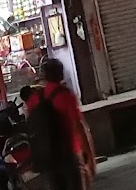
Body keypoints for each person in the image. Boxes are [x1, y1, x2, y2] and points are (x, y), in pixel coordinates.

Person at [31, 58, 92, 190]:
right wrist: (89, 157)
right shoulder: (65, 95)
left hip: (49, 159)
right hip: (70, 155)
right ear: (61, 74)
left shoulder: (35, 98)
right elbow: (78, 126)